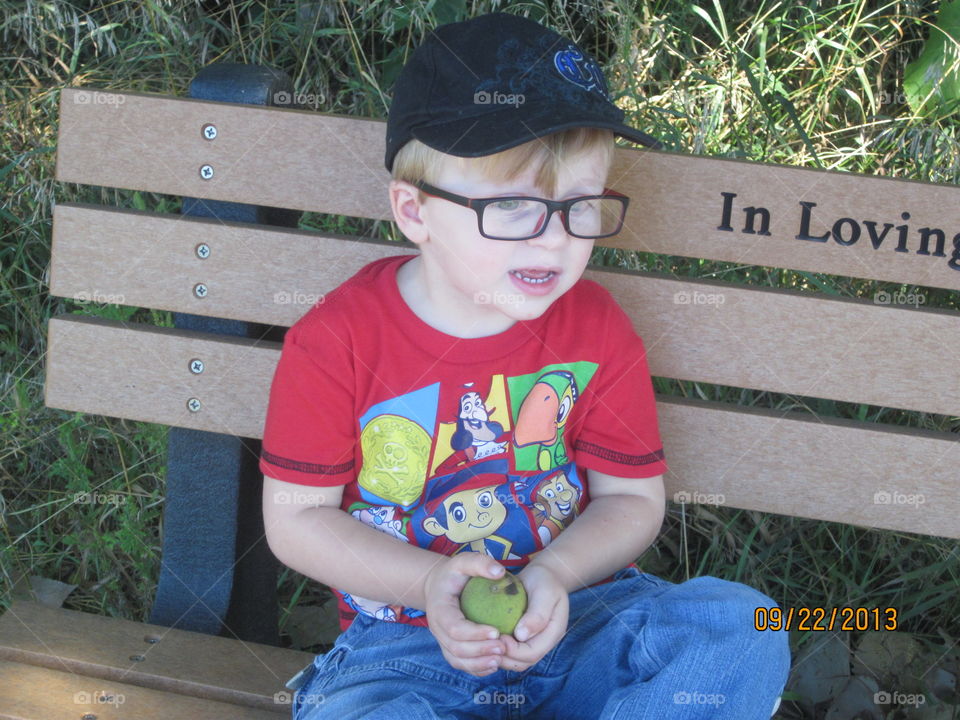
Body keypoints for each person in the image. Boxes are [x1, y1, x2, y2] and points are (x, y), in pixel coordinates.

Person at [259, 11, 790, 719]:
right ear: (414, 212)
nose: (553, 241)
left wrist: (556, 574)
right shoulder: (339, 340)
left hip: (585, 623)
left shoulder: (595, 328)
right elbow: (296, 520)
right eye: (513, 207)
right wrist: (429, 586)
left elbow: (632, 499)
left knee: (739, 628)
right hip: (409, 649)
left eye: (580, 207)